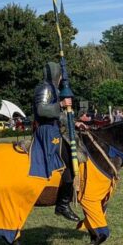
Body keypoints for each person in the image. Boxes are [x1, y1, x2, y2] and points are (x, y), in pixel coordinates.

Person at [32, 62, 79, 222]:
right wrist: (60, 104)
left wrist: (75, 122)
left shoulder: (54, 90)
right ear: (55, 74)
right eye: (59, 76)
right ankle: (63, 204)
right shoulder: (45, 88)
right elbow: (41, 109)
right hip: (47, 131)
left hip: (55, 129)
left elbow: (58, 116)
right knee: (68, 161)